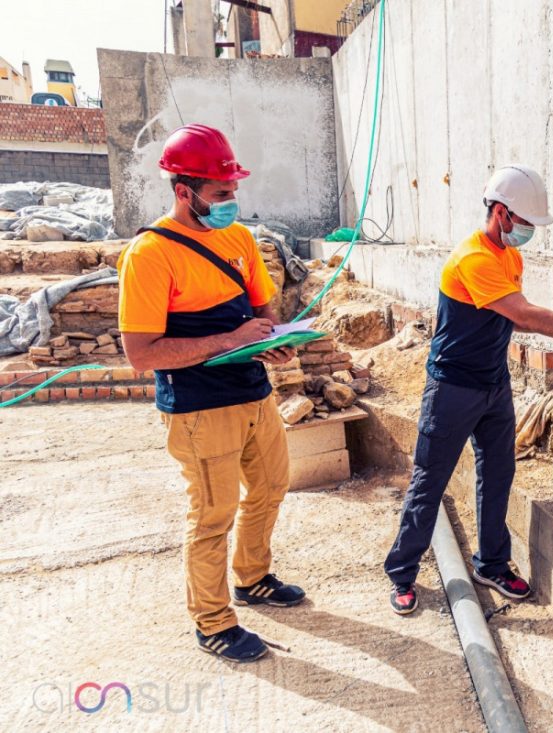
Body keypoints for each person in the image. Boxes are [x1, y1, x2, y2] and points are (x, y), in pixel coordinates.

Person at [384, 164, 553, 614]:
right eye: (525, 223)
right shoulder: (474, 257)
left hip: (493, 383)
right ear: (502, 213)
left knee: (499, 473)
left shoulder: (510, 255)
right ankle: (403, 573)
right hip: (452, 387)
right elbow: (523, 315)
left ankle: (491, 562)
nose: (529, 232)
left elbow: (513, 310)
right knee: (430, 480)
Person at [118, 124, 305, 663]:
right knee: (211, 516)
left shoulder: (240, 239)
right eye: (221, 194)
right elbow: (144, 354)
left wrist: (275, 342)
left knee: (271, 486)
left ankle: (253, 578)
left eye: (233, 192)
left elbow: (262, 314)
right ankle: (214, 622)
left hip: (251, 391)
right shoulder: (151, 254)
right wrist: (231, 339)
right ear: (184, 191)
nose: (231, 203)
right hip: (200, 408)